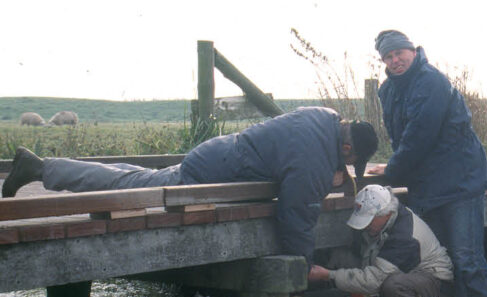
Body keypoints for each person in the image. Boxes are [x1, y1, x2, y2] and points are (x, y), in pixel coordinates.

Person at [4, 107, 376, 260]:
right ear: (346, 146)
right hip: (208, 175)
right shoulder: (314, 156)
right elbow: (296, 213)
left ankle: (46, 168)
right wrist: (304, 263)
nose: (346, 165)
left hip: (218, 157)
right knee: (130, 185)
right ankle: (40, 168)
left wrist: (334, 171)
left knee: (132, 177)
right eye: (349, 159)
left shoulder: (323, 118)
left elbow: (298, 163)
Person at [371, 30, 487, 297]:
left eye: (399, 53)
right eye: (388, 57)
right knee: (443, 262)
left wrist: (393, 169)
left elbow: (419, 136)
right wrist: (396, 163)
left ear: (412, 51)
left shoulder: (431, 82)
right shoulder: (388, 90)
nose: (395, 61)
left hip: (461, 184)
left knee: (468, 259)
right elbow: (399, 137)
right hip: (427, 188)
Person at [307, 185, 452, 297]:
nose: (365, 226)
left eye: (369, 220)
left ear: (385, 213)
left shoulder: (404, 236)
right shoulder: (380, 225)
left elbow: (374, 281)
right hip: (404, 281)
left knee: (394, 285)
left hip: (435, 286)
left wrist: (327, 275)